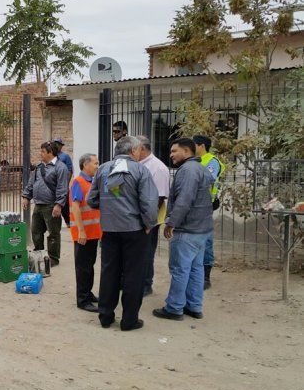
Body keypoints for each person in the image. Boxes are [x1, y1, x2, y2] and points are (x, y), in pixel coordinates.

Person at [87, 136, 158, 331]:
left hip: (109, 230)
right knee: (133, 275)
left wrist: (110, 207)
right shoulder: (140, 170)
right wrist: (149, 224)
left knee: (109, 272)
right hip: (134, 230)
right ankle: (129, 320)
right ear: (134, 151)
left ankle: (105, 316)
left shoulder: (102, 169)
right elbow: (149, 204)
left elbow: (91, 199)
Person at [153, 138, 214, 321]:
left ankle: (174, 308)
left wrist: (171, 222)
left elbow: (184, 200)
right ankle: (194, 306)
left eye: (174, 151)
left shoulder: (187, 170)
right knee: (196, 269)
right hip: (202, 229)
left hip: (187, 230)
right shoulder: (201, 169)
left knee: (180, 269)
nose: (170, 155)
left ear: (187, 152)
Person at [21, 141, 69, 267]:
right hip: (38, 205)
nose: (40, 153)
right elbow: (31, 183)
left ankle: (53, 258)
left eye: (42, 151)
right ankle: (39, 254)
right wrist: (26, 196)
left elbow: (62, 188)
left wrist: (58, 205)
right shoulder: (39, 167)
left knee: (53, 233)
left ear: (50, 152)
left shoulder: (60, 167)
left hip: (51, 206)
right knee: (36, 231)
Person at [136, 135, 171, 297]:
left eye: (134, 148)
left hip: (150, 219)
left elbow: (159, 198)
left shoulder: (158, 168)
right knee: (137, 252)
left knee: (146, 252)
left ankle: (145, 284)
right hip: (136, 218)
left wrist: (148, 222)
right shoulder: (138, 164)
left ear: (141, 149)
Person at [69, 153, 102, 312]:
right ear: (85, 165)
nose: (97, 166)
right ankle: (82, 300)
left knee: (90, 265)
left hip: (94, 233)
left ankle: (88, 294)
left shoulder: (94, 182)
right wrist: (81, 231)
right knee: (83, 267)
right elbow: (75, 207)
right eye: (95, 163)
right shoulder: (78, 182)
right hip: (83, 234)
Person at [193, 135, 224, 289]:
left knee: (206, 241)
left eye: (194, 145)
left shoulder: (212, 161)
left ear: (202, 146)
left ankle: (206, 277)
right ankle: (196, 273)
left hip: (205, 206)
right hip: (193, 206)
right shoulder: (194, 161)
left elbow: (207, 180)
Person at [53, 138, 74, 227]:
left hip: (63, 184)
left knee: (65, 205)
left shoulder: (65, 156)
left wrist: (66, 183)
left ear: (61, 146)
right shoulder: (52, 156)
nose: (57, 145)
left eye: (59, 144)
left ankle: (68, 222)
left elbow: (70, 170)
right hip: (53, 185)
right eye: (55, 143)